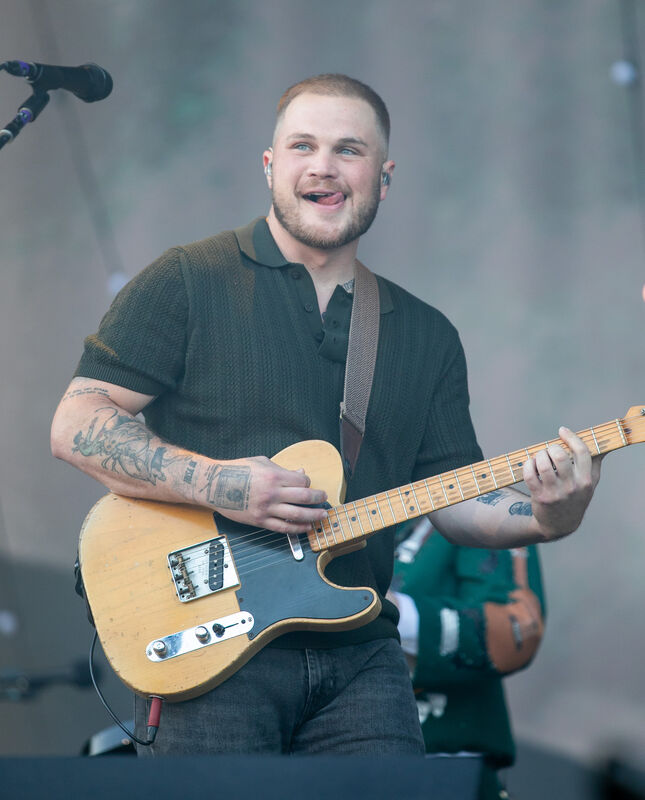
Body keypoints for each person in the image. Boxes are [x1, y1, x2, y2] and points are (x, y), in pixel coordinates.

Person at [50, 73, 600, 756]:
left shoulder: (425, 333)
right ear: (270, 165)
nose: (323, 166)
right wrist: (220, 484)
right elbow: (76, 423)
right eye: (303, 145)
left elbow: (455, 502)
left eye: (349, 149)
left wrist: (552, 516)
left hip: (361, 655)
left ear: (383, 177)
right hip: (210, 645)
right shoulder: (189, 278)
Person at [390, 517, 545, 798]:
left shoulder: (484, 505)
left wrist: (390, 613)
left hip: (442, 768)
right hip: (334, 763)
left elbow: (517, 631)